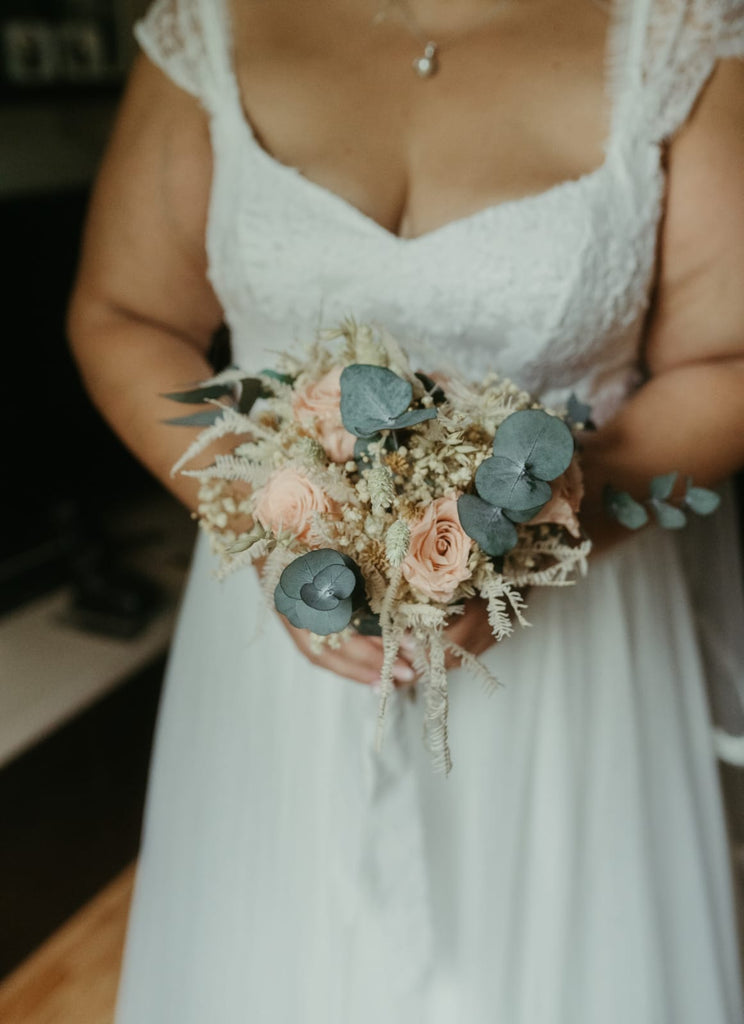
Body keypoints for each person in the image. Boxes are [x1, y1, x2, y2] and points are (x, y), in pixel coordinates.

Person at [67, 0, 744, 1020]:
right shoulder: (207, 24)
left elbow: (727, 359)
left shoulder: (677, 32)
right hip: (279, 660)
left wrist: (539, 518)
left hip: (568, 661)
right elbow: (124, 313)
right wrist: (272, 518)